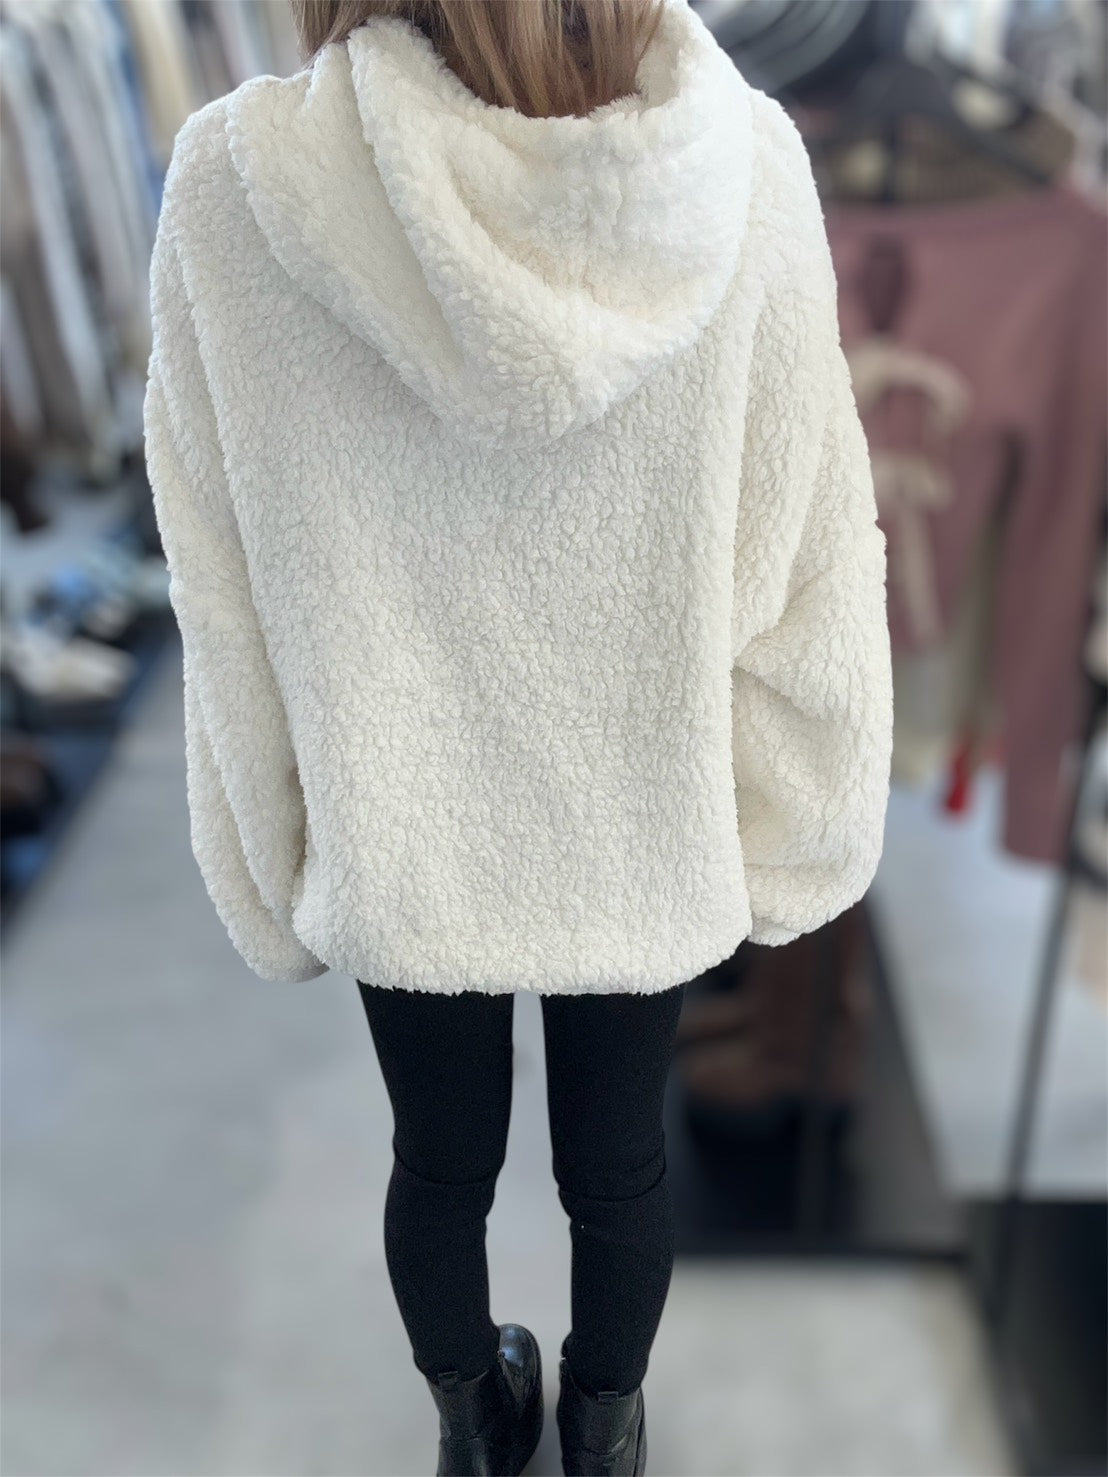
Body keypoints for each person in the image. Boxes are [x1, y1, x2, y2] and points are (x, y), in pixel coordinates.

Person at [141, 0, 894, 1471]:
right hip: (644, 817)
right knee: (619, 1166)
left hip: (397, 817)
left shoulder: (237, 189)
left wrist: (267, 842)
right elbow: (803, 558)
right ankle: (605, 1434)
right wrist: (793, 827)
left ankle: (476, 1424)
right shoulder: (742, 171)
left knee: (439, 1161)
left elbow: (218, 581)